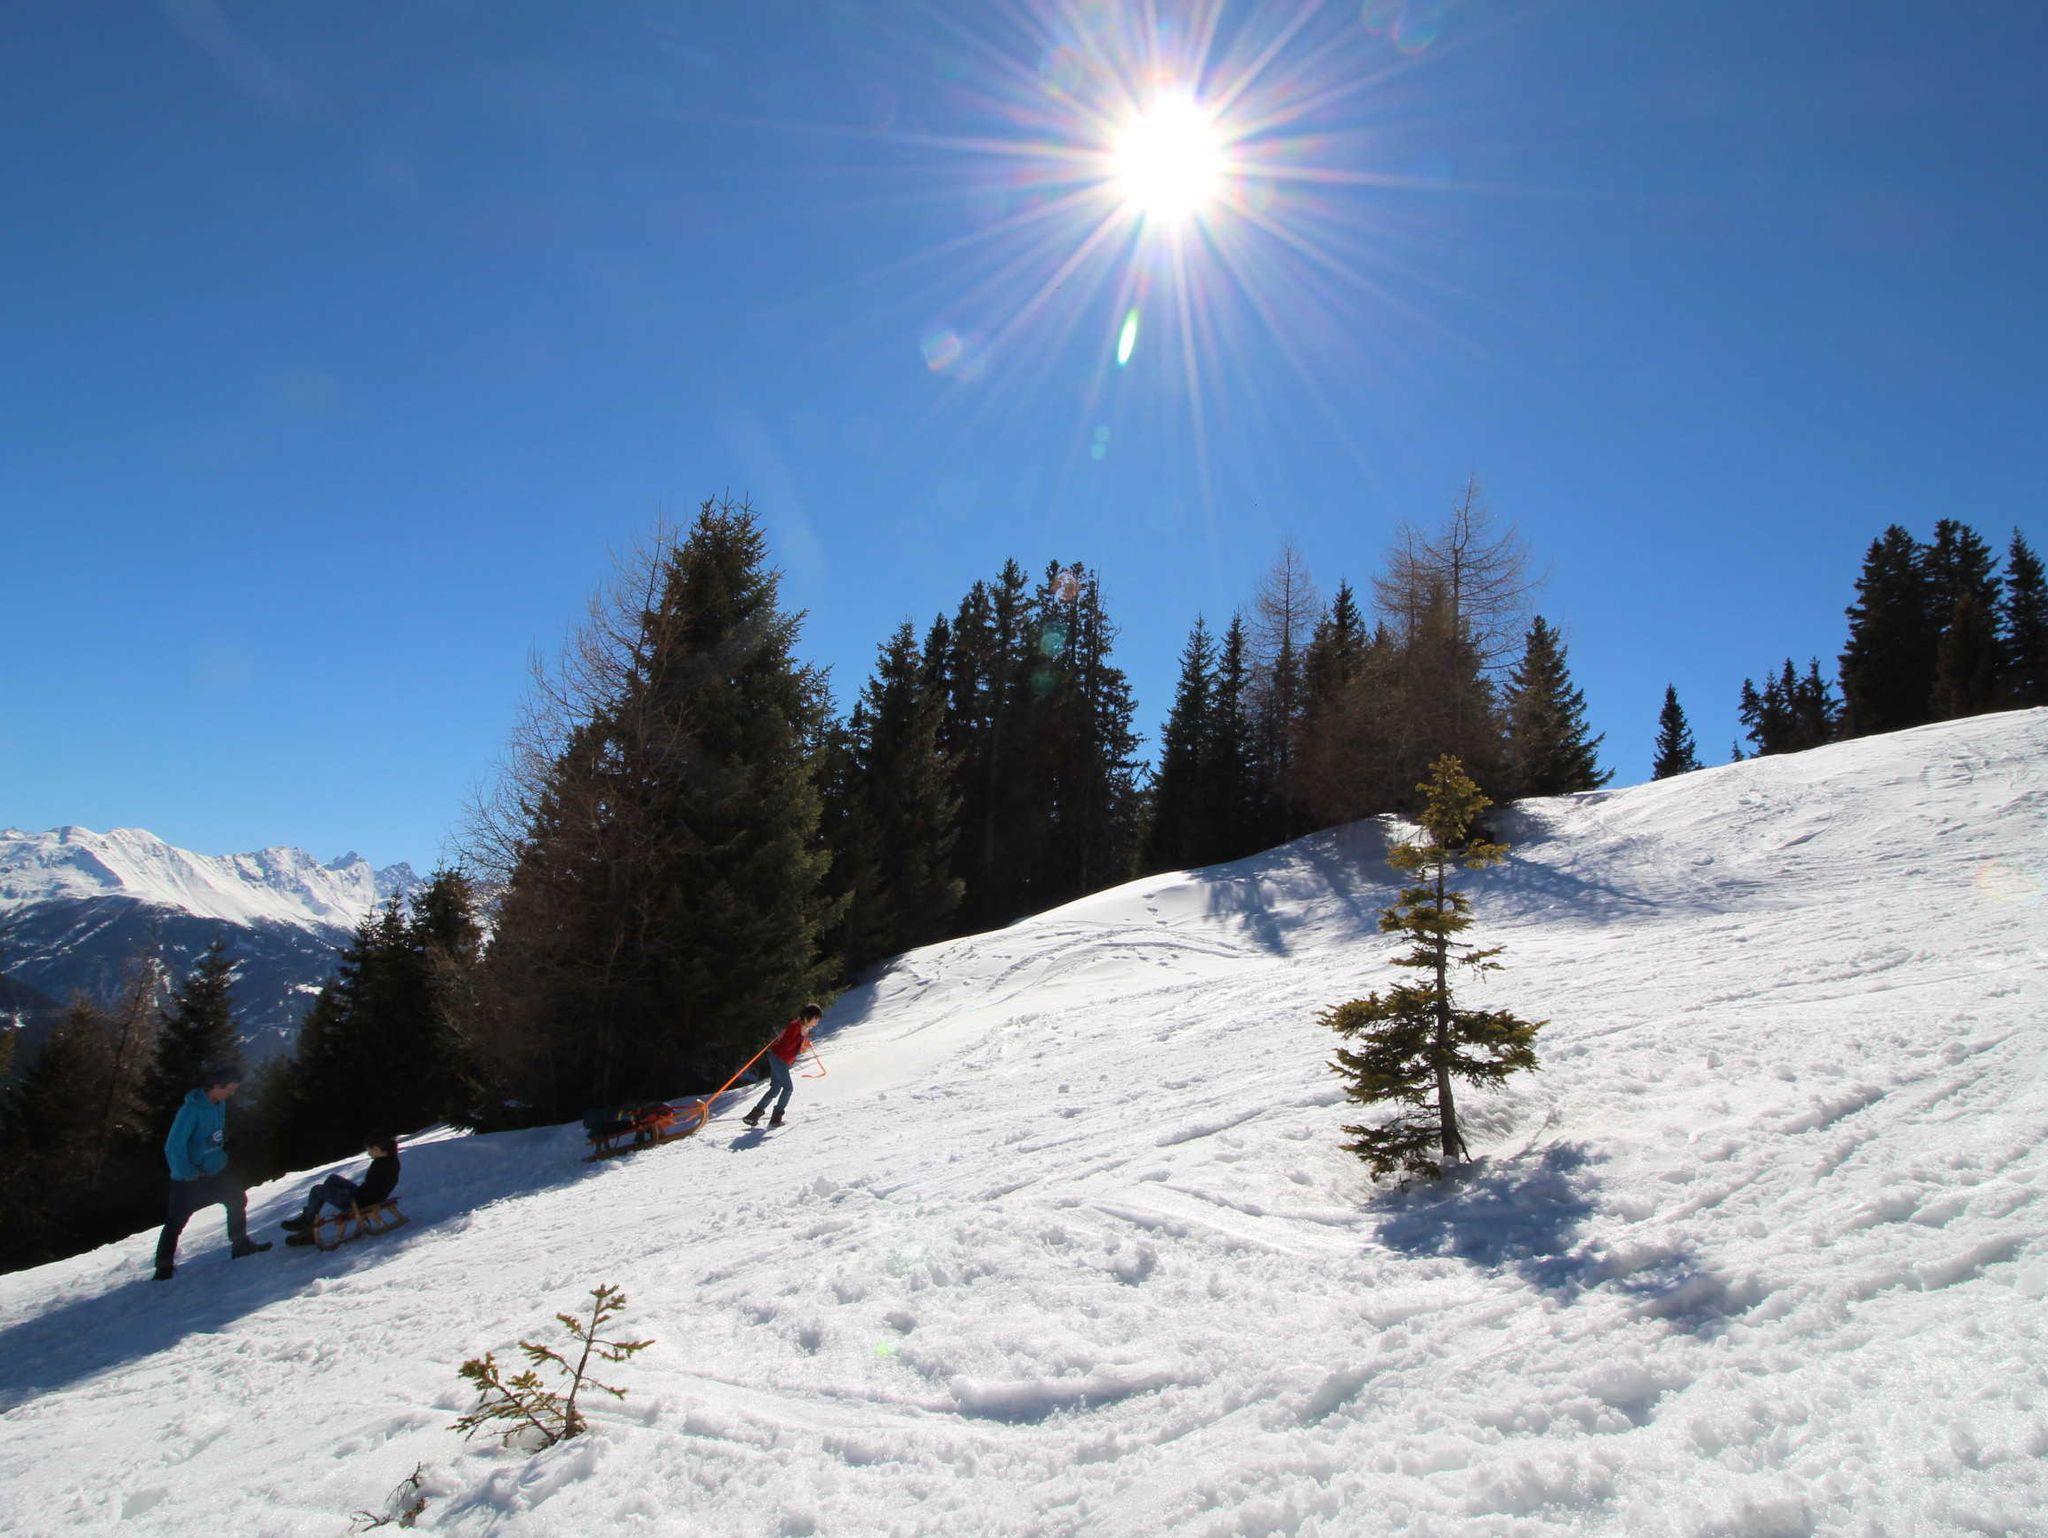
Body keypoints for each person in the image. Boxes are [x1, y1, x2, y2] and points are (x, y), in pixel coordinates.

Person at [154, 1064, 270, 1280]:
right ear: (217, 1086)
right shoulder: (190, 1111)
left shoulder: (219, 1104)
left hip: (216, 1168)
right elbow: (173, 1147)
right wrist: (188, 1172)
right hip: (190, 1177)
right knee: (176, 1220)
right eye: (230, 1089)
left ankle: (240, 1244)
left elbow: (215, 1133)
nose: (231, 1093)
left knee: (237, 1200)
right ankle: (163, 1267)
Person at [280, 1133, 401, 1244]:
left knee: (317, 1190)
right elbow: (374, 1188)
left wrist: (348, 1196)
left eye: (369, 1150)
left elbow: (372, 1192)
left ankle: (308, 1225)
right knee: (333, 1179)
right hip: (365, 1196)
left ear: (377, 1149)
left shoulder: (380, 1165)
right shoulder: (390, 1160)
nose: (368, 1153)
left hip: (358, 1202)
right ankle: (308, 1221)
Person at [742, 1003, 822, 1128]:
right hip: (779, 1058)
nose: (816, 1023)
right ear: (807, 1017)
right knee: (788, 1088)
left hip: (780, 1059)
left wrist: (803, 1043)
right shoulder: (796, 1026)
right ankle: (776, 1118)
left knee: (775, 1088)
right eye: (815, 1019)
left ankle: (753, 1116)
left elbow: (796, 1048)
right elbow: (787, 1046)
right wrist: (801, 1035)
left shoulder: (801, 1028)